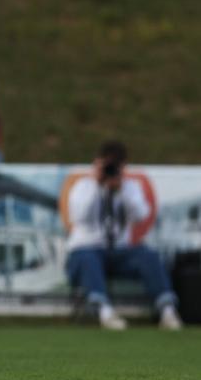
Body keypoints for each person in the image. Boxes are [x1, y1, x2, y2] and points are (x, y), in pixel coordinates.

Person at [65, 140, 182, 330]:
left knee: (148, 256)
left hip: (120, 251)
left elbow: (141, 214)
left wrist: (120, 190)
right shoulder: (83, 186)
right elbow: (79, 217)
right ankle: (104, 312)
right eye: (107, 165)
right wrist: (98, 184)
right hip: (87, 249)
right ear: (97, 163)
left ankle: (167, 310)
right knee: (88, 259)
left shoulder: (129, 187)